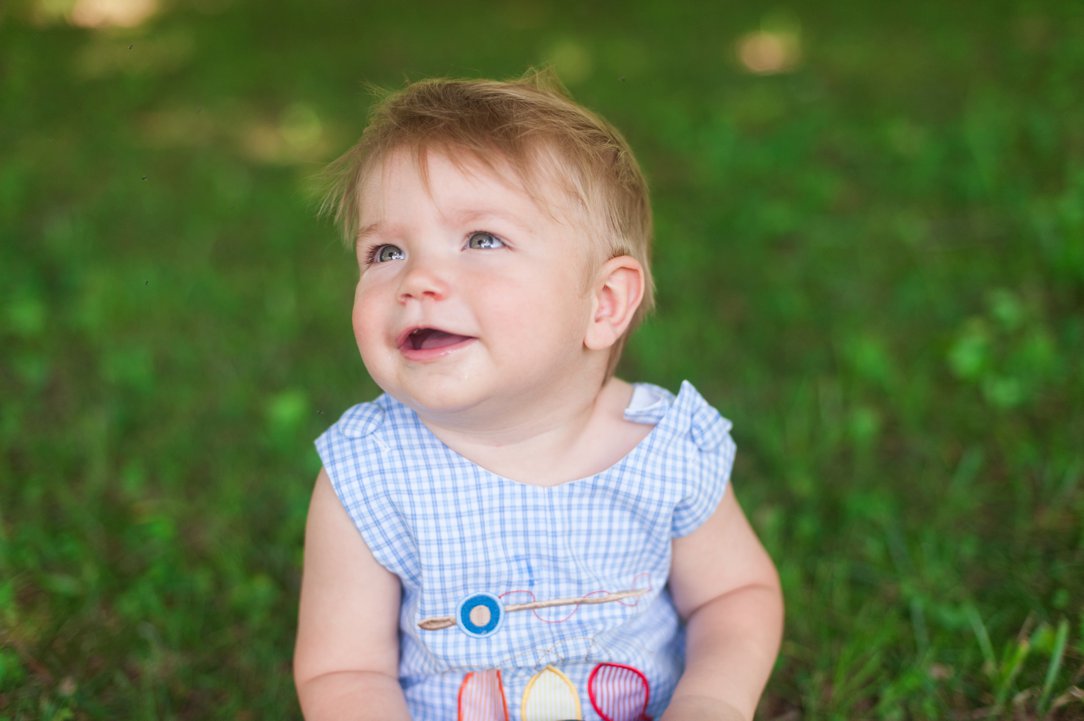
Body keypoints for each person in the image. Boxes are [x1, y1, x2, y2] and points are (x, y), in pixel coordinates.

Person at [293, 70, 783, 721]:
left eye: (482, 239)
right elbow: (344, 667)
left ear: (602, 304)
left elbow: (735, 594)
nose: (418, 279)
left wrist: (712, 699)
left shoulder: (664, 448)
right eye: (385, 250)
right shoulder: (370, 474)